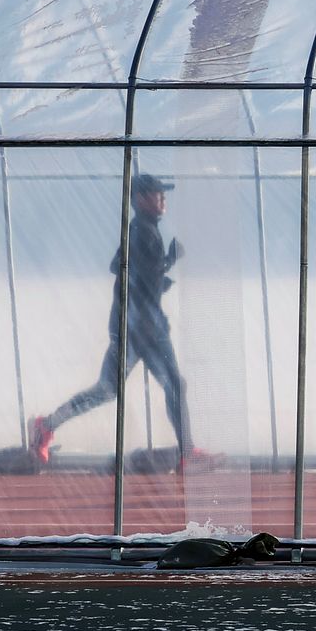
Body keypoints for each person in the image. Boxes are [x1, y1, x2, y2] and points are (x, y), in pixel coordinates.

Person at [28, 173, 214, 474]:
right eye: (157, 194)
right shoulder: (143, 232)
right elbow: (131, 272)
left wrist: (160, 268)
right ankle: (187, 452)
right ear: (141, 199)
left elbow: (121, 267)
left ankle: (46, 425)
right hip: (142, 327)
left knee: (110, 389)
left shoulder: (142, 229)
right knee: (168, 386)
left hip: (135, 325)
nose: (163, 199)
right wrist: (168, 261)